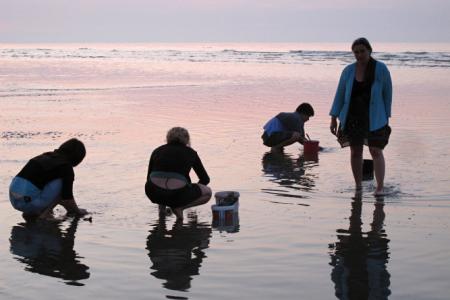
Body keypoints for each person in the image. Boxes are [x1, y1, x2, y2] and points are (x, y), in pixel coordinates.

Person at [329, 37, 392, 195]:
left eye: (362, 51)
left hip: (376, 118)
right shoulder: (348, 71)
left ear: (369, 50)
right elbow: (340, 94)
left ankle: (379, 187)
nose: (359, 55)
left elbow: (387, 94)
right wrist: (333, 117)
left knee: (375, 151)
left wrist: (386, 116)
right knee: (356, 152)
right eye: (356, 52)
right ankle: (358, 186)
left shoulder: (381, 69)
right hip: (352, 117)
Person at [9, 138, 88, 221]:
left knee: (46, 181)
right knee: (62, 185)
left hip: (14, 199)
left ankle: (33, 212)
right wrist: (78, 211)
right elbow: (67, 198)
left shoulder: (45, 156)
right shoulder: (65, 166)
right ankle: (45, 214)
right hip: (28, 202)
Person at [145, 127, 212, 220]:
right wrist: (191, 192)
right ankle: (180, 208)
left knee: (161, 178)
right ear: (187, 139)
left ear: (168, 138)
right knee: (208, 192)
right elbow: (205, 179)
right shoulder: (191, 153)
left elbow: (149, 177)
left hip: (152, 192)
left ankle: (162, 213)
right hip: (177, 193)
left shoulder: (157, 151)